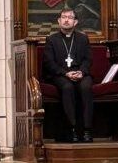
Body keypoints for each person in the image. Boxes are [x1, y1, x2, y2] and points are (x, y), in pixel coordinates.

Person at [42, 8, 93, 143]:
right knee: (67, 87)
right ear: (59, 21)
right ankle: (72, 129)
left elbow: (88, 60)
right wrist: (65, 73)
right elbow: (49, 63)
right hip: (60, 74)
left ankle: (87, 130)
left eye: (70, 17)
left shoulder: (83, 38)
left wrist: (82, 71)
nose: (66, 20)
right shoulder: (51, 40)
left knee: (86, 87)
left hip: (80, 73)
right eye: (63, 17)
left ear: (75, 22)